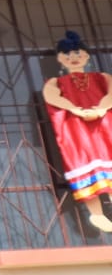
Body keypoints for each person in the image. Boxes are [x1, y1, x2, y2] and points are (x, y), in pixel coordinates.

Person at [43, 30, 112, 233]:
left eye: (77, 53)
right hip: (77, 130)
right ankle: (96, 214)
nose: (73, 58)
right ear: (59, 59)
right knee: (84, 161)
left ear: (87, 56)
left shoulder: (102, 77)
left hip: (104, 127)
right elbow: (52, 97)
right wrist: (76, 110)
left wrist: (101, 109)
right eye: (67, 54)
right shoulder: (55, 82)